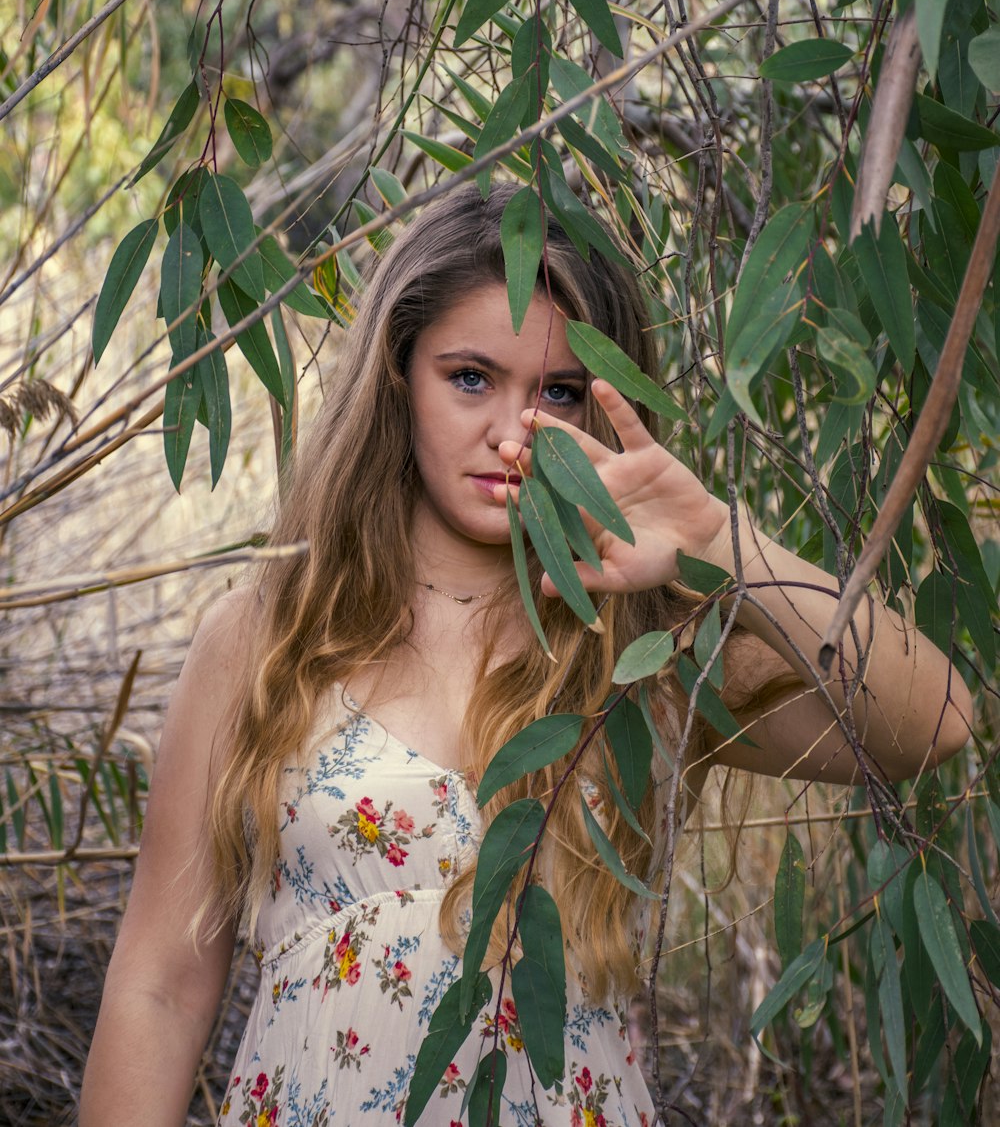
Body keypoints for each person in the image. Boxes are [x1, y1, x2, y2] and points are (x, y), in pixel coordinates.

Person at [80, 181, 972, 1127]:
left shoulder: (652, 653)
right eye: (469, 377)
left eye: (557, 393)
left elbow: (936, 724)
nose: (512, 434)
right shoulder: (272, 636)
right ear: (396, 375)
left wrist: (722, 544)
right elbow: (161, 986)